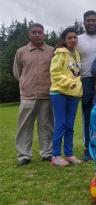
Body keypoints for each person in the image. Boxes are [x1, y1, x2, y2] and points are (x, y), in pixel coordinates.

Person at [13, 23, 54, 166]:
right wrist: (25, 83)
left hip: (47, 94)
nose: (37, 35)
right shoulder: (21, 52)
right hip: (27, 95)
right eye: (34, 32)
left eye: (40, 32)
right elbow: (17, 72)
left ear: (44, 34)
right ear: (29, 34)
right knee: (24, 126)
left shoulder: (52, 51)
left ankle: (47, 152)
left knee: (46, 125)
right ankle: (24, 155)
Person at [49, 27, 83, 166]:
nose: (73, 40)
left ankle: (69, 154)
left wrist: (78, 89)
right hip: (59, 93)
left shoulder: (77, 53)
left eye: (75, 37)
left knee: (70, 125)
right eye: (69, 38)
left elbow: (77, 74)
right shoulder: (60, 53)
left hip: (73, 95)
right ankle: (55, 156)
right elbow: (54, 73)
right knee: (61, 124)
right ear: (64, 40)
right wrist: (69, 83)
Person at [77, 10, 96, 161]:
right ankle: (88, 147)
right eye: (88, 20)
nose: (91, 22)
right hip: (86, 80)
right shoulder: (78, 39)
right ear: (84, 23)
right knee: (88, 114)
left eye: (93, 20)